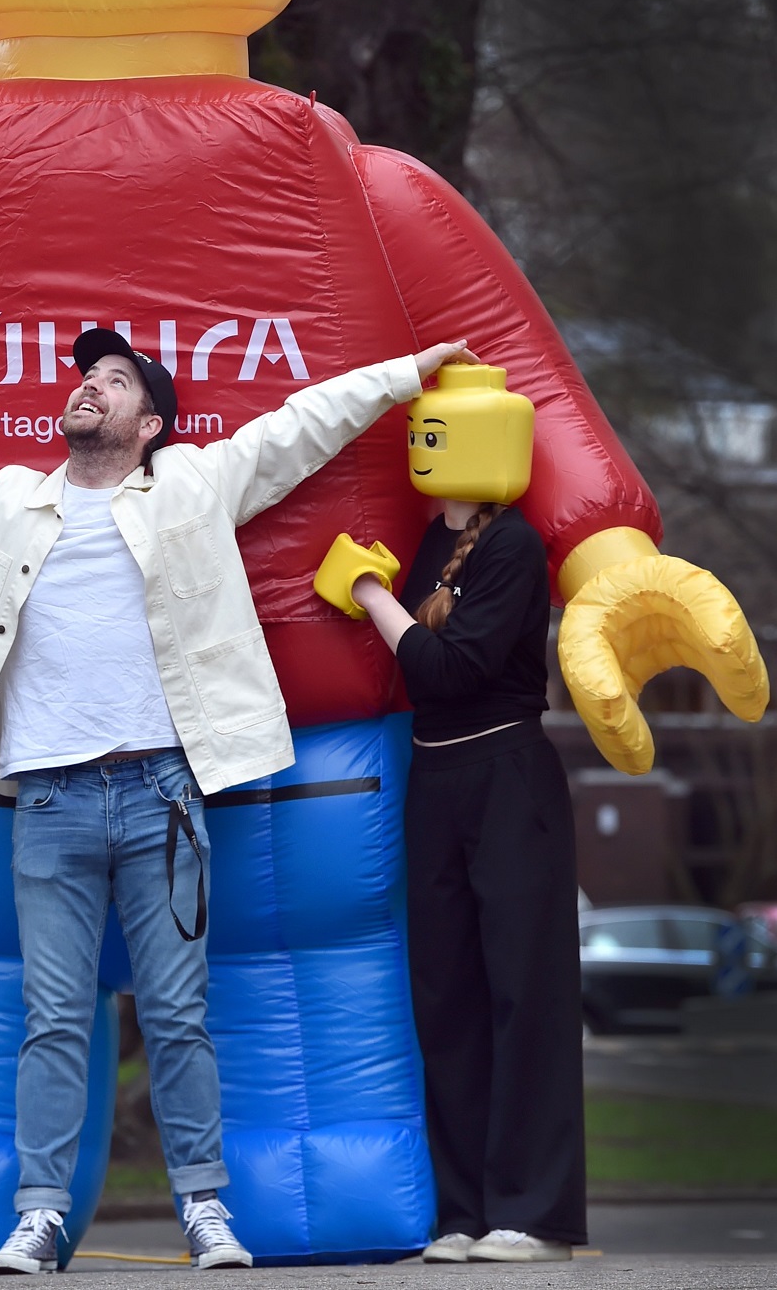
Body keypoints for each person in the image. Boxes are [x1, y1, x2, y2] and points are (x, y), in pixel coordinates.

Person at [0, 325, 469, 1274]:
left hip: (167, 791)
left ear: (149, 424)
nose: (89, 390)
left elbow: (301, 425)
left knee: (179, 1013)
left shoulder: (197, 483)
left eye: (114, 382)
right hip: (49, 801)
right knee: (53, 1016)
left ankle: (204, 1207)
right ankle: (38, 1214)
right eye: (85, 379)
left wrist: (408, 373)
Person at [349, 464, 586, 1264]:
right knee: (446, 998)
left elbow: (448, 670)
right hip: (434, 778)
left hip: (506, 774)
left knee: (524, 991)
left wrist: (370, 596)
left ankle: (535, 1212)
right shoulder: (425, 541)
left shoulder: (514, 543)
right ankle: (462, 1210)